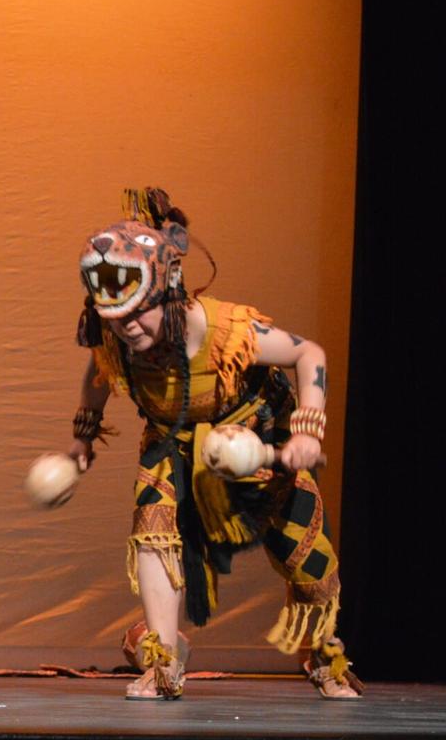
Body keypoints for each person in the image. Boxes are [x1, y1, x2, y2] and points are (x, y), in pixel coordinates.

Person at [67, 187, 362, 700]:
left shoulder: (221, 329)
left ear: (169, 295)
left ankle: (321, 649)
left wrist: (307, 430)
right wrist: (83, 437)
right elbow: (99, 373)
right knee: (152, 528)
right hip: (173, 444)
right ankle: (161, 659)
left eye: (139, 312)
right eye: (115, 317)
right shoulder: (116, 335)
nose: (127, 326)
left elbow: (308, 353)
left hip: (257, 433)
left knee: (304, 554)